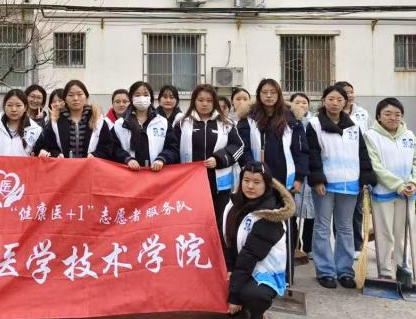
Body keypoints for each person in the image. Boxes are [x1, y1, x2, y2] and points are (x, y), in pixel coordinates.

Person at [306, 85, 376, 289]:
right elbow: (313, 154)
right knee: (322, 226)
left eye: (339, 99)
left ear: (345, 102)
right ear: (323, 101)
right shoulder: (315, 124)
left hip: (350, 184)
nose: (335, 103)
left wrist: (365, 178)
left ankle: (345, 271)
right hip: (326, 184)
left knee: (345, 227)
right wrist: (318, 179)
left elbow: (362, 153)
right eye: (331, 99)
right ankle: (325, 271)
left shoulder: (354, 126)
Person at [223, 162, 295, 319]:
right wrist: (228, 268)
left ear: (266, 184)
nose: (250, 186)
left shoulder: (271, 215)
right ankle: (236, 302)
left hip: (262, 270)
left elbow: (249, 256)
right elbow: (225, 239)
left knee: (253, 295)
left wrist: (234, 296)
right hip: (239, 266)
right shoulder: (233, 203)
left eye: (256, 182)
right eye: (246, 180)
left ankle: (256, 313)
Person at [364, 98, 416, 279]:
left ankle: (403, 269)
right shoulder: (370, 136)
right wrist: (397, 185)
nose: (393, 118)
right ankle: (384, 271)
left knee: (403, 234)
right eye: (388, 114)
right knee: (384, 234)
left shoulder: (409, 136)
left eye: (397, 114)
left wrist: (415, 183)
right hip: (383, 193)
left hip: (407, 194)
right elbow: (375, 166)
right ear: (378, 116)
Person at [176, 84, 244, 231]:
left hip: (219, 186)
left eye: (209, 100)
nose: (204, 104)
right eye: (200, 100)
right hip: (189, 184)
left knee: (218, 224)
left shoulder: (226, 123)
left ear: (214, 102)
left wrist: (219, 159)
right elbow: (172, 148)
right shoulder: (182, 123)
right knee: (192, 223)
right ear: (194, 101)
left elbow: (238, 147)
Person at [237, 78, 308, 192]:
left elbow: (300, 150)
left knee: (283, 203)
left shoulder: (291, 119)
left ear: (279, 94)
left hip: (285, 175)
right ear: (259, 94)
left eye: (273, 92)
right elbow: (243, 148)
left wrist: (299, 177)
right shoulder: (248, 119)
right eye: (264, 92)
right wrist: (251, 170)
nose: (269, 96)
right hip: (256, 175)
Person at [334, 81, 371, 259]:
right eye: (345, 93)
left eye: (351, 91)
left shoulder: (362, 114)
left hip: (358, 167)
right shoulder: (332, 115)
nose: (349, 95)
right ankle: (340, 245)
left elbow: (368, 139)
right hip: (338, 168)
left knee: (357, 209)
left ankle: (356, 245)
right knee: (339, 211)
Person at [111, 81, 179, 170]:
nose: (142, 98)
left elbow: (173, 148)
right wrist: (127, 159)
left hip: (156, 173)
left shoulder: (162, 122)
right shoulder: (120, 124)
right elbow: (113, 148)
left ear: (151, 98)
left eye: (146, 95)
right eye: (137, 95)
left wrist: (162, 159)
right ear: (131, 98)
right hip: (129, 173)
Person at [40, 79, 113, 159]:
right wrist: (56, 154)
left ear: (86, 97)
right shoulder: (55, 121)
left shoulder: (98, 119)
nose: (75, 98)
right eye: (71, 95)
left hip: (90, 165)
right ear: (65, 99)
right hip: (64, 166)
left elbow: (107, 146)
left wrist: (95, 155)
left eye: (79, 94)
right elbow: (47, 145)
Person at [0, 89, 45, 156]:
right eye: (9, 105)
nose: (14, 109)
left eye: (18, 105)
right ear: (4, 106)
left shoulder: (35, 129)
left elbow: (39, 154)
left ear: (25, 107)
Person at [289, 92, 314, 257]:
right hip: (293, 171)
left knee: (311, 212)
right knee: (291, 210)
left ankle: (309, 247)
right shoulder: (288, 122)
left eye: (304, 102)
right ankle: (293, 245)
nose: (301, 105)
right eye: (297, 102)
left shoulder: (315, 123)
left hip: (311, 172)